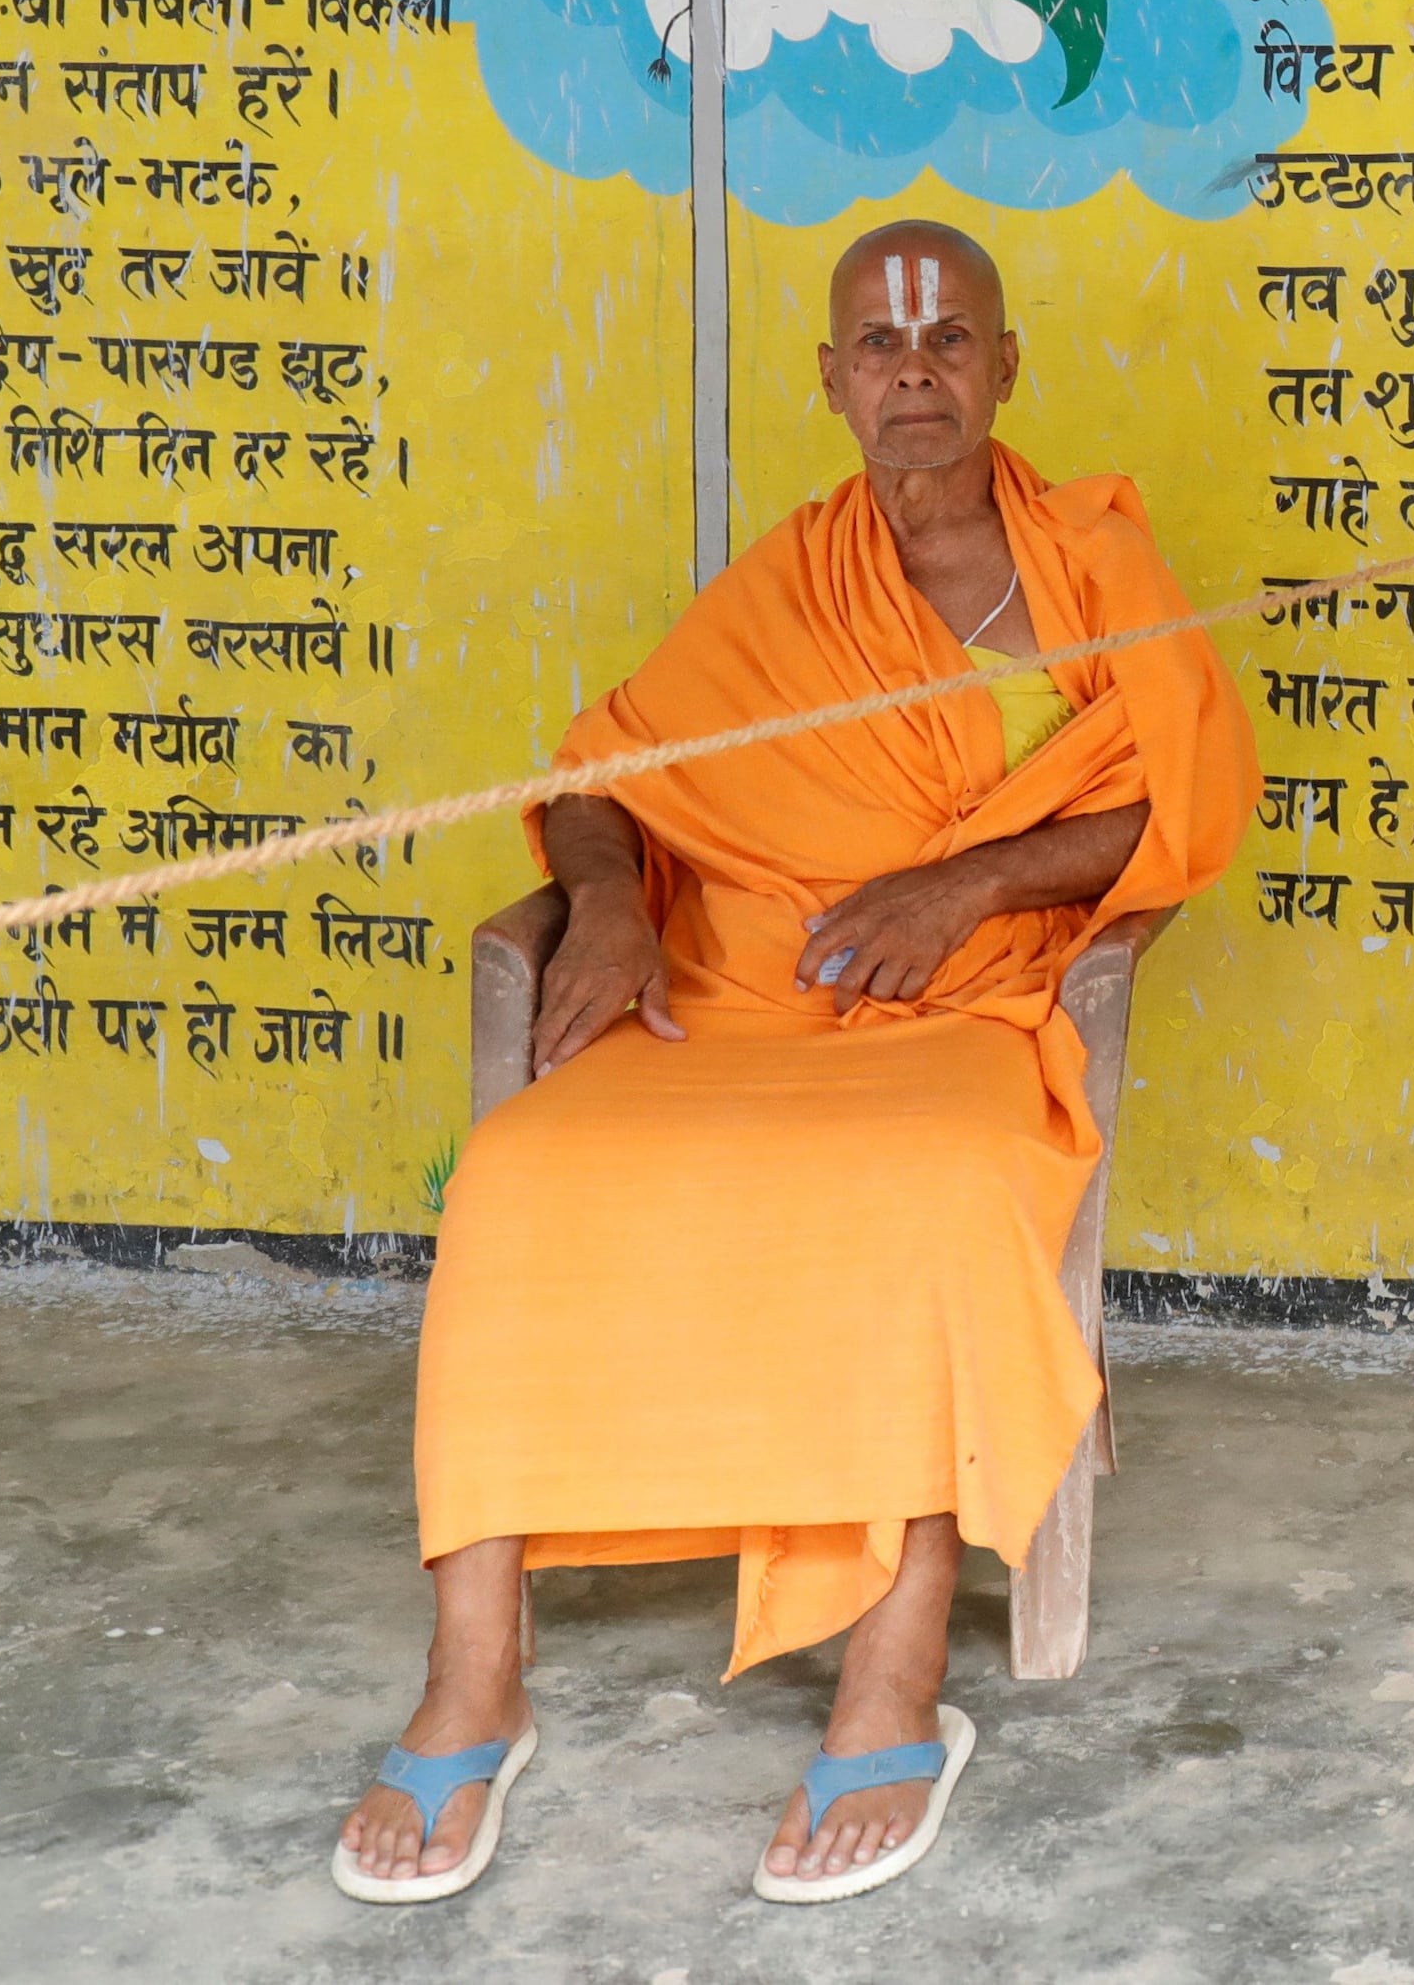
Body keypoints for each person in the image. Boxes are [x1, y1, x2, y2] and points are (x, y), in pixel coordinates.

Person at [334, 221, 1257, 1908]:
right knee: (523, 1173)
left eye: (951, 337)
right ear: (831, 379)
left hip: (963, 1003)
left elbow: (1180, 803)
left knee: (913, 1187)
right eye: (882, 345)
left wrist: (966, 879)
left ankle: (894, 1677)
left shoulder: (1091, 566)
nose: (917, 368)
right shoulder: (798, 572)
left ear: (1004, 365)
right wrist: (608, 903)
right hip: (733, 988)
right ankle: (476, 1669)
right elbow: (617, 765)